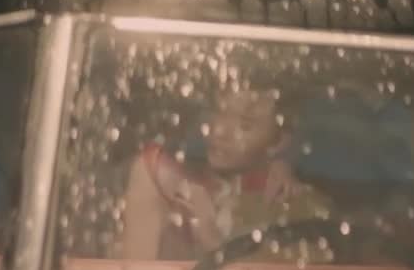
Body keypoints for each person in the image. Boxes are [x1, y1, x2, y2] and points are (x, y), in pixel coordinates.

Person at [119, 87, 332, 260]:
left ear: (280, 142)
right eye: (219, 113)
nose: (220, 131)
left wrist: (210, 238)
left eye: (245, 125)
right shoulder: (169, 180)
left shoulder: (302, 208)